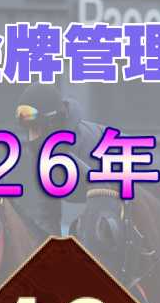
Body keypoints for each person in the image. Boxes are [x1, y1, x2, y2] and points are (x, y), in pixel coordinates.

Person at [15, 82, 104, 235]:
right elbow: (47, 215)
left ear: (53, 123)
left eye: (36, 129)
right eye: (29, 130)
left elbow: (107, 202)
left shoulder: (88, 145)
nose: (31, 138)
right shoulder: (41, 153)